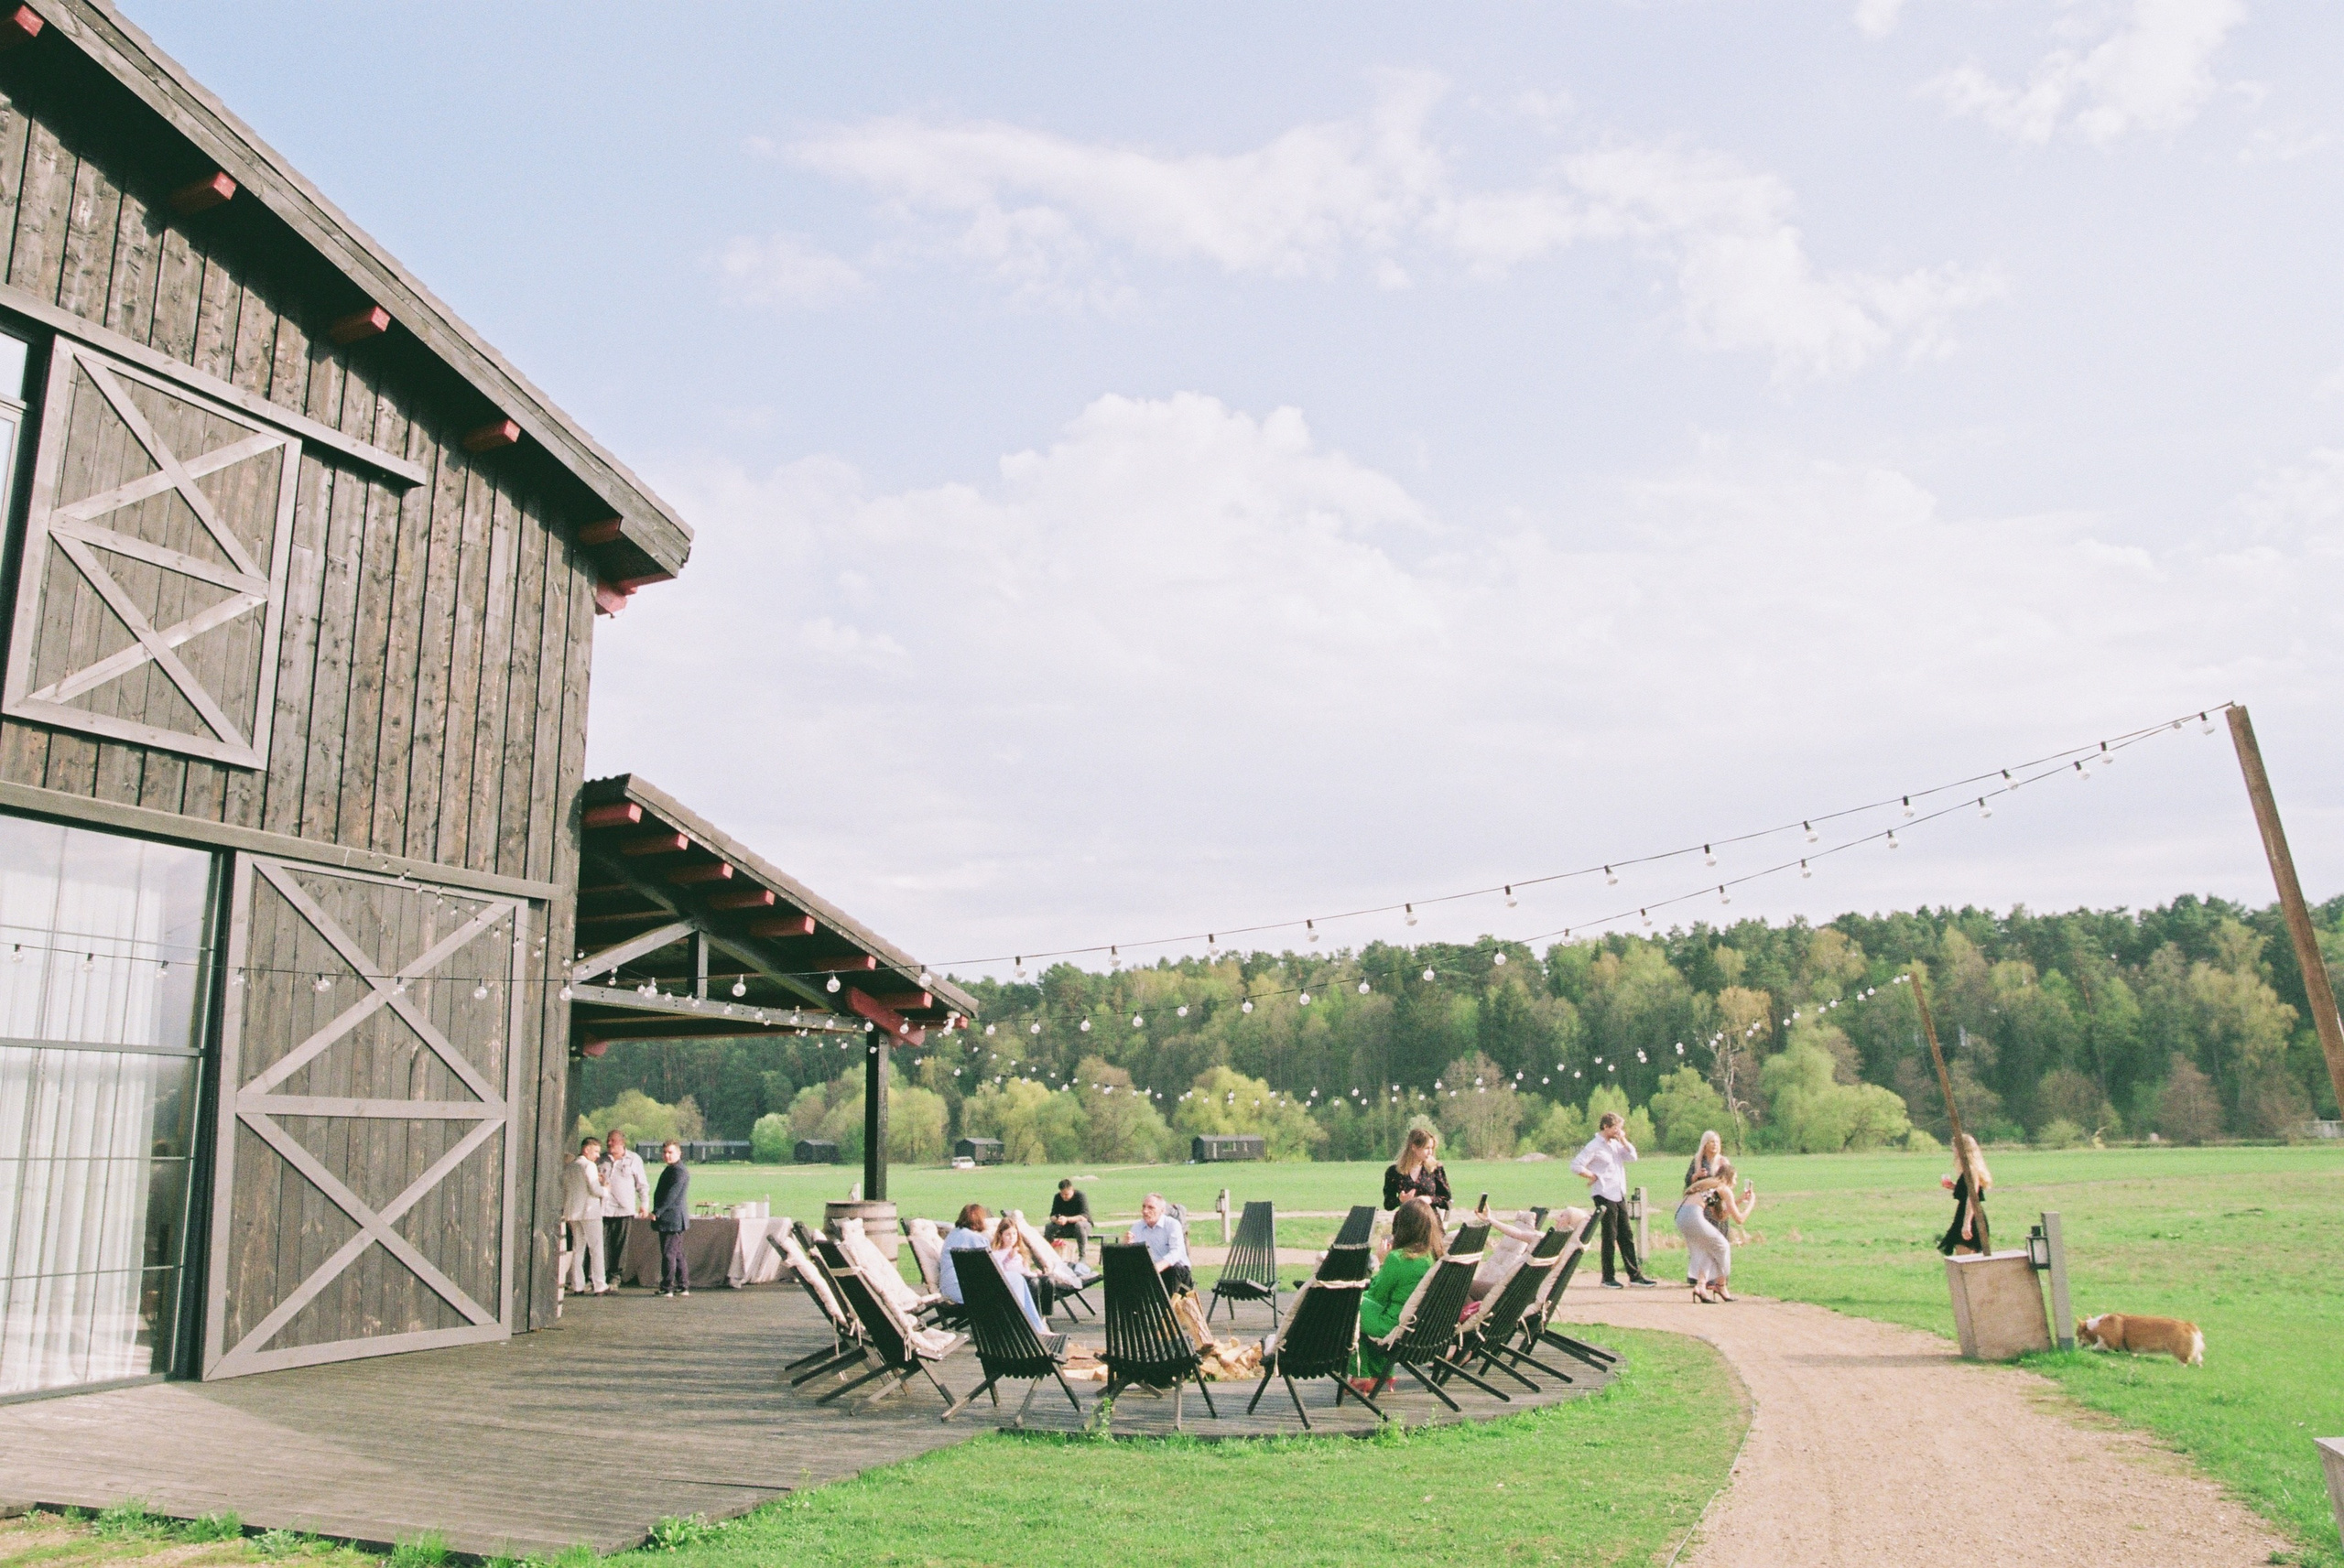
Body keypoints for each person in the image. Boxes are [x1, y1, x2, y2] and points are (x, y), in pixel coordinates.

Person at [1352, 1198, 1444, 1391]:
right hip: (1420, 1327)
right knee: (1362, 1310)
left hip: (1392, 1326)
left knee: (1348, 1310)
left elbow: (1378, 1295)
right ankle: (1380, 1374)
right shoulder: (1434, 1255)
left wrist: (1382, 1262)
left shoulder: (1398, 1258)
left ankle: (1361, 1374)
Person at [1572, 1111, 1657, 1288]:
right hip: (1603, 1193)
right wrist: (1591, 1175)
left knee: (1626, 1234)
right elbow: (1576, 1165)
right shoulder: (1594, 1145)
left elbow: (1633, 1157)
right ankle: (1608, 1277)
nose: (1619, 1131)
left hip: (1618, 1193)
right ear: (1606, 1127)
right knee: (1609, 1236)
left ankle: (1635, 1276)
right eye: (1616, 1127)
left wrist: (1624, 1140)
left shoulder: (1616, 1144)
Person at [939, 1203, 1048, 1334]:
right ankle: (1026, 1327)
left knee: (1016, 1280)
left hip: (950, 1288)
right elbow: (991, 1270)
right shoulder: (976, 1239)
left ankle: (1033, 1326)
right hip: (965, 1291)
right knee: (1016, 1279)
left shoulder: (953, 1235)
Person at [559, 1137, 612, 1295]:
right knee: (596, 1248)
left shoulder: (570, 1166)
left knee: (578, 1249)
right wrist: (606, 1189)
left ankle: (578, 1285)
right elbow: (594, 1190)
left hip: (573, 1212)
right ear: (586, 1149)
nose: (597, 1155)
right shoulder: (588, 1166)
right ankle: (600, 1284)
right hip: (589, 1212)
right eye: (595, 1151)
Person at [600, 1129, 650, 1286]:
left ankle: (615, 1277)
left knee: (620, 1245)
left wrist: (644, 1204)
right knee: (600, 1244)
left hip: (624, 1210)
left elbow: (642, 1185)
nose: (609, 1143)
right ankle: (598, 1276)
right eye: (608, 1140)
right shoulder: (601, 1159)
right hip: (603, 1209)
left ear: (622, 1142)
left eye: (612, 1141)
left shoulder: (634, 1159)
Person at [1127, 1192, 1194, 1295]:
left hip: (1175, 1271)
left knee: (1173, 1270)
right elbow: (1134, 1258)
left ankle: (1168, 1310)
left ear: (1162, 1211)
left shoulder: (1172, 1225)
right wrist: (1128, 1246)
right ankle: (1127, 1309)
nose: (1145, 1211)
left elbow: (1176, 1253)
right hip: (1149, 1271)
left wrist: (1157, 1267)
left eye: (1151, 1208)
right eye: (1144, 1207)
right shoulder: (1137, 1227)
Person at [1937, 1133, 1992, 1256]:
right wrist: (1954, 1186)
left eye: (1955, 1146)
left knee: (1965, 1259)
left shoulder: (1971, 1169)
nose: (1953, 1149)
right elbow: (1967, 1191)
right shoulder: (1965, 1169)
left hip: (1971, 1215)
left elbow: (1972, 1197)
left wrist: (1966, 1223)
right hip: (1963, 1213)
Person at [650, 1140, 690, 1296]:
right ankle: (683, 1285)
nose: (667, 1155)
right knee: (677, 1253)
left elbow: (671, 1195)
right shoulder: (674, 1169)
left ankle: (667, 1287)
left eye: (670, 1152)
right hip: (673, 1219)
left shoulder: (678, 1171)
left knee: (669, 1254)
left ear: (679, 1153)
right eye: (665, 1152)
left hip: (671, 1220)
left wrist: (657, 1212)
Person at [1382, 1127, 1452, 1214]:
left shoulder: (1435, 1169)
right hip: (1405, 1220)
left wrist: (1430, 1199)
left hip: (1430, 1221)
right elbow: (1388, 1205)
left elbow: (1446, 1199)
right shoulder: (1394, 1171)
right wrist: (1401, 1200)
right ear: (1414, 1147)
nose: (1430, 1152)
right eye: (1427, 1148)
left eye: (1432, 1148)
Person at [1044, 1178, 1093, 1261]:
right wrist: (1057, 1220)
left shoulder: (1080, 1196)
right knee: (1048, 1226)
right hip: (1065, 1226)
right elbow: (1052, 1216)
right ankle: (1050, 1254)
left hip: (1083, 1226)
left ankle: (1082, 1257)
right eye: (1062, 1194)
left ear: (1072, 1190)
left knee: (1079, 1225)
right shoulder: (1057, 1197)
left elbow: (1084, 1216)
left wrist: (1067, 1219)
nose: (1064, 1197)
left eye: (1066, 1194)